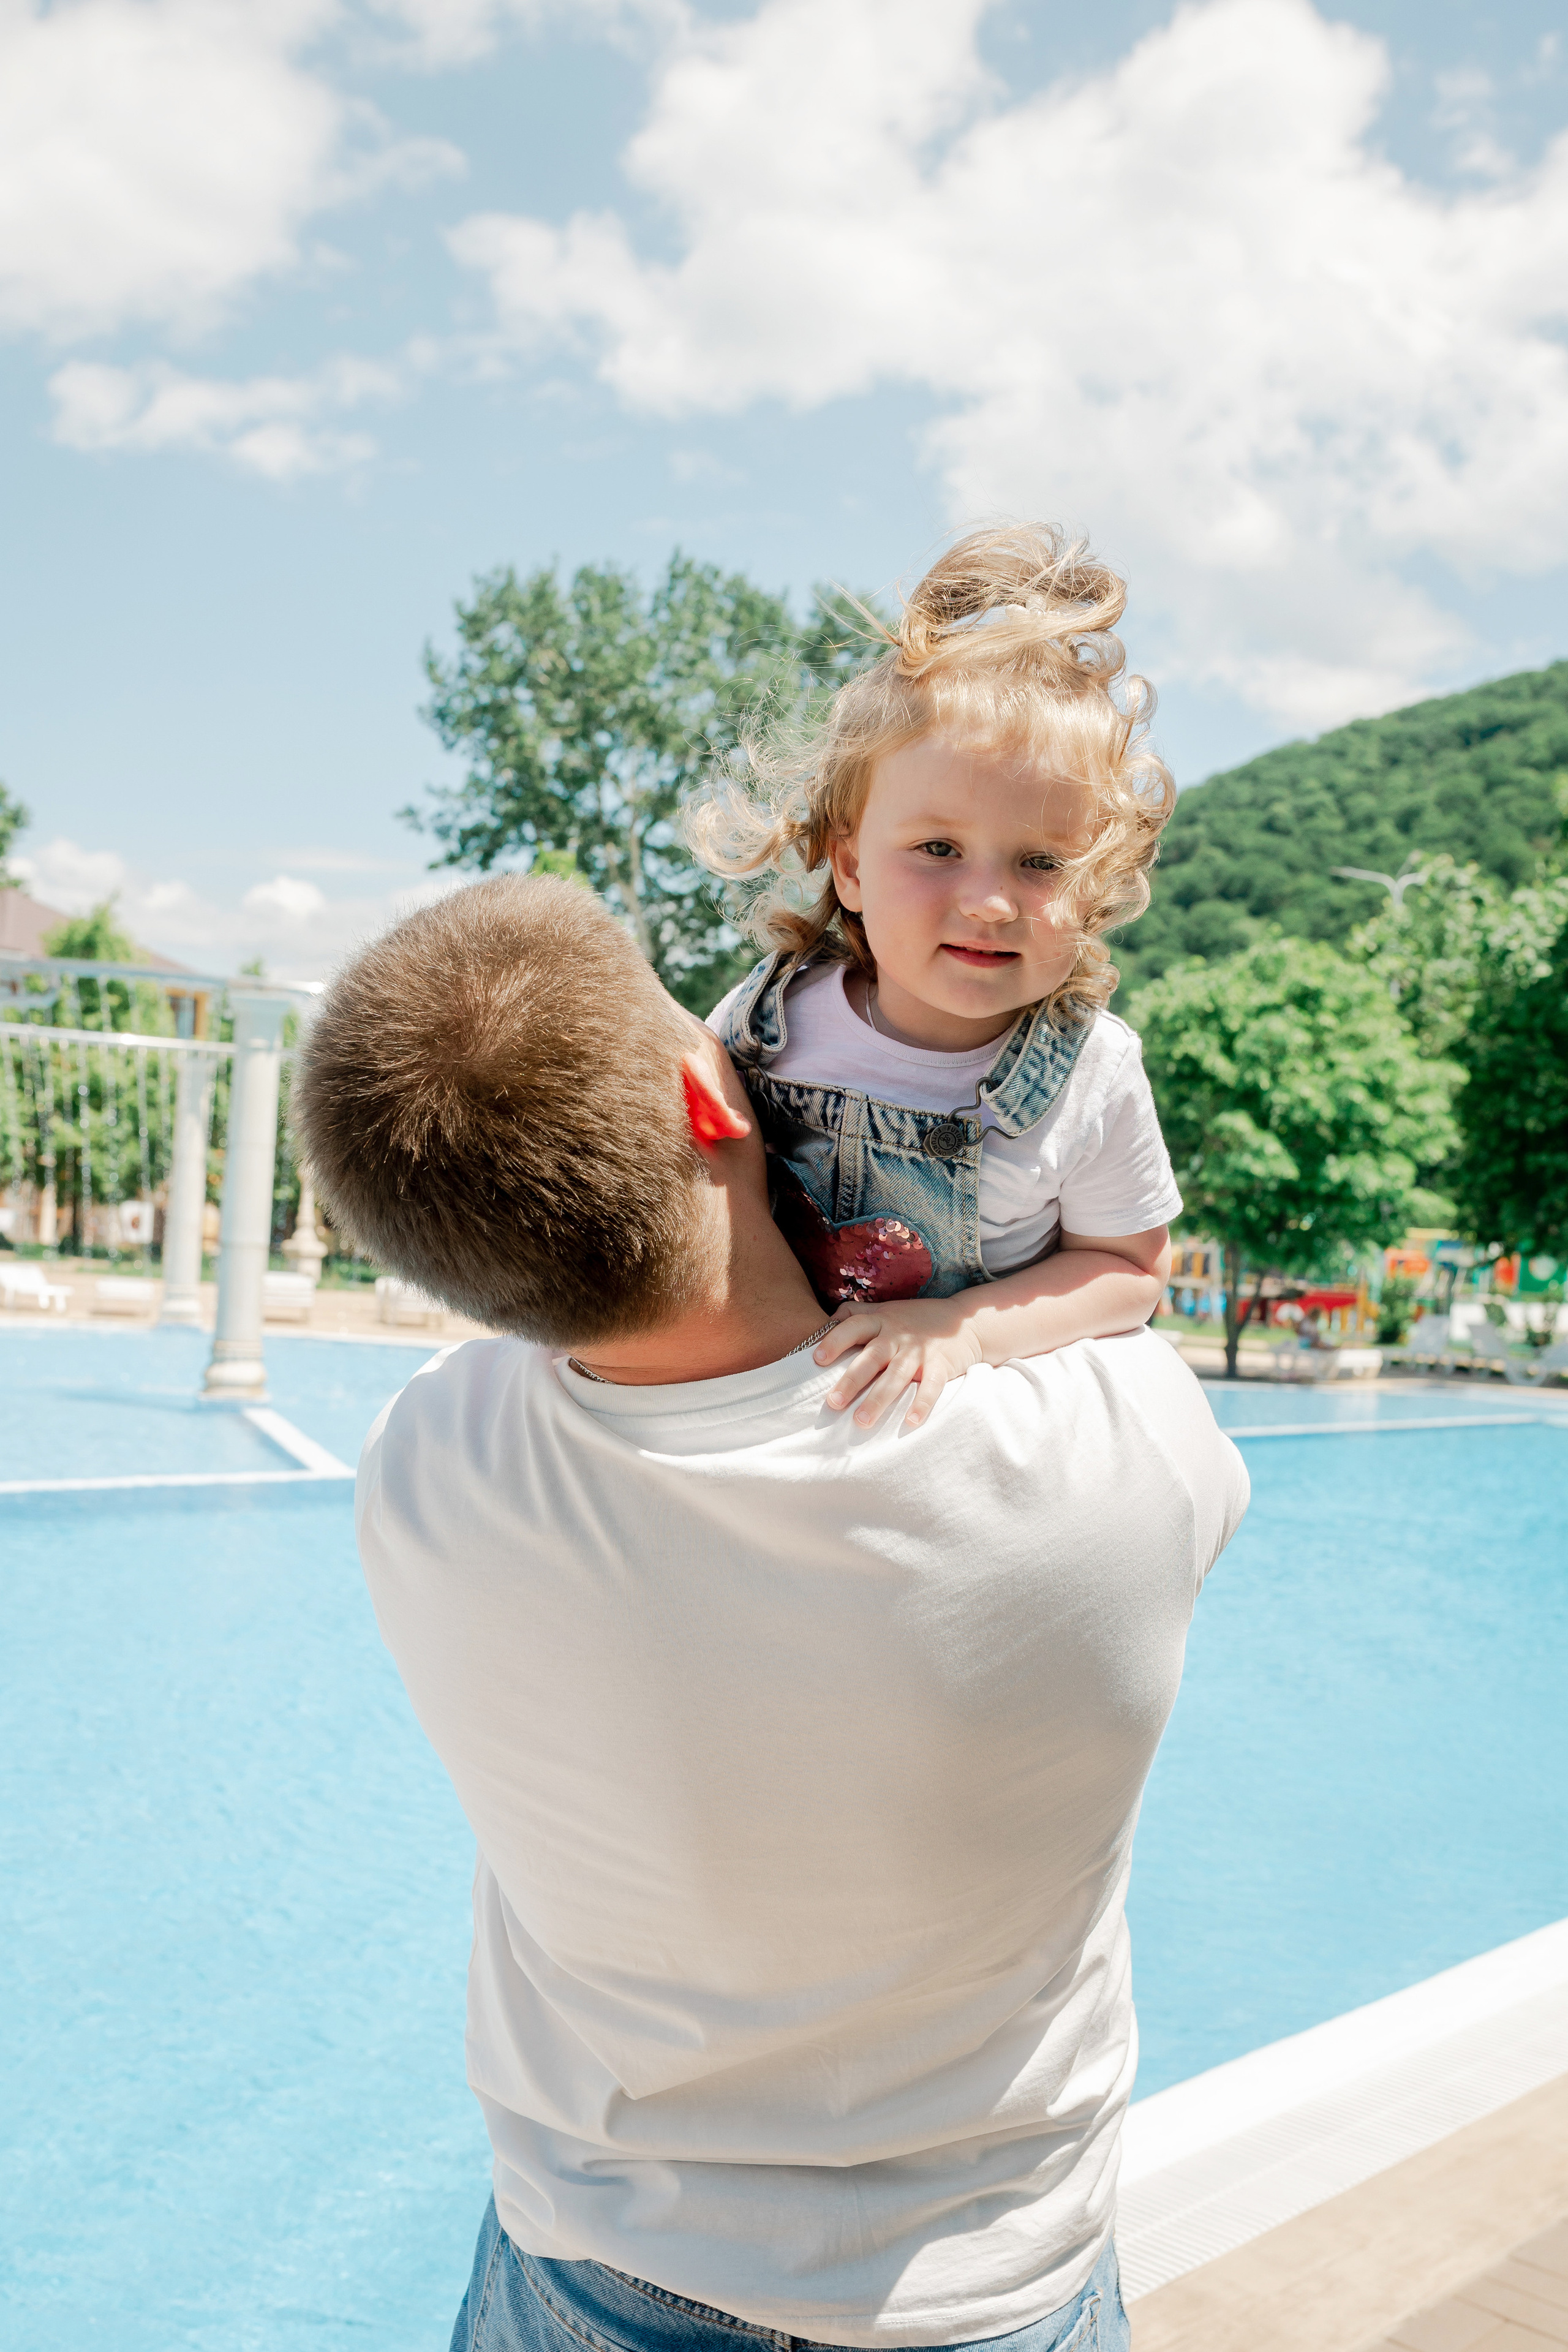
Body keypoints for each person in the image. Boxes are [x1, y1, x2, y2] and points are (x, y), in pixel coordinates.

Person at [294, 872, 1249, 2352]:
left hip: (586, 2273)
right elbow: (1113, 1292)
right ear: (710, 1092)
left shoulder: (429, 1461)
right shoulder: (1107, 1449)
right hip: (976, 2282)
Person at [689, 524, 1181, 1431]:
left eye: (1043, 863)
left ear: (1097, 888)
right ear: (850, 868)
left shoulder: (1092, 1073)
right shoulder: (767, 1021)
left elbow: (1130, 1271)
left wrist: (965, 1329)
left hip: (967, 1433)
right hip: (773, 1416)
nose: (990, 903)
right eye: (939, 849)